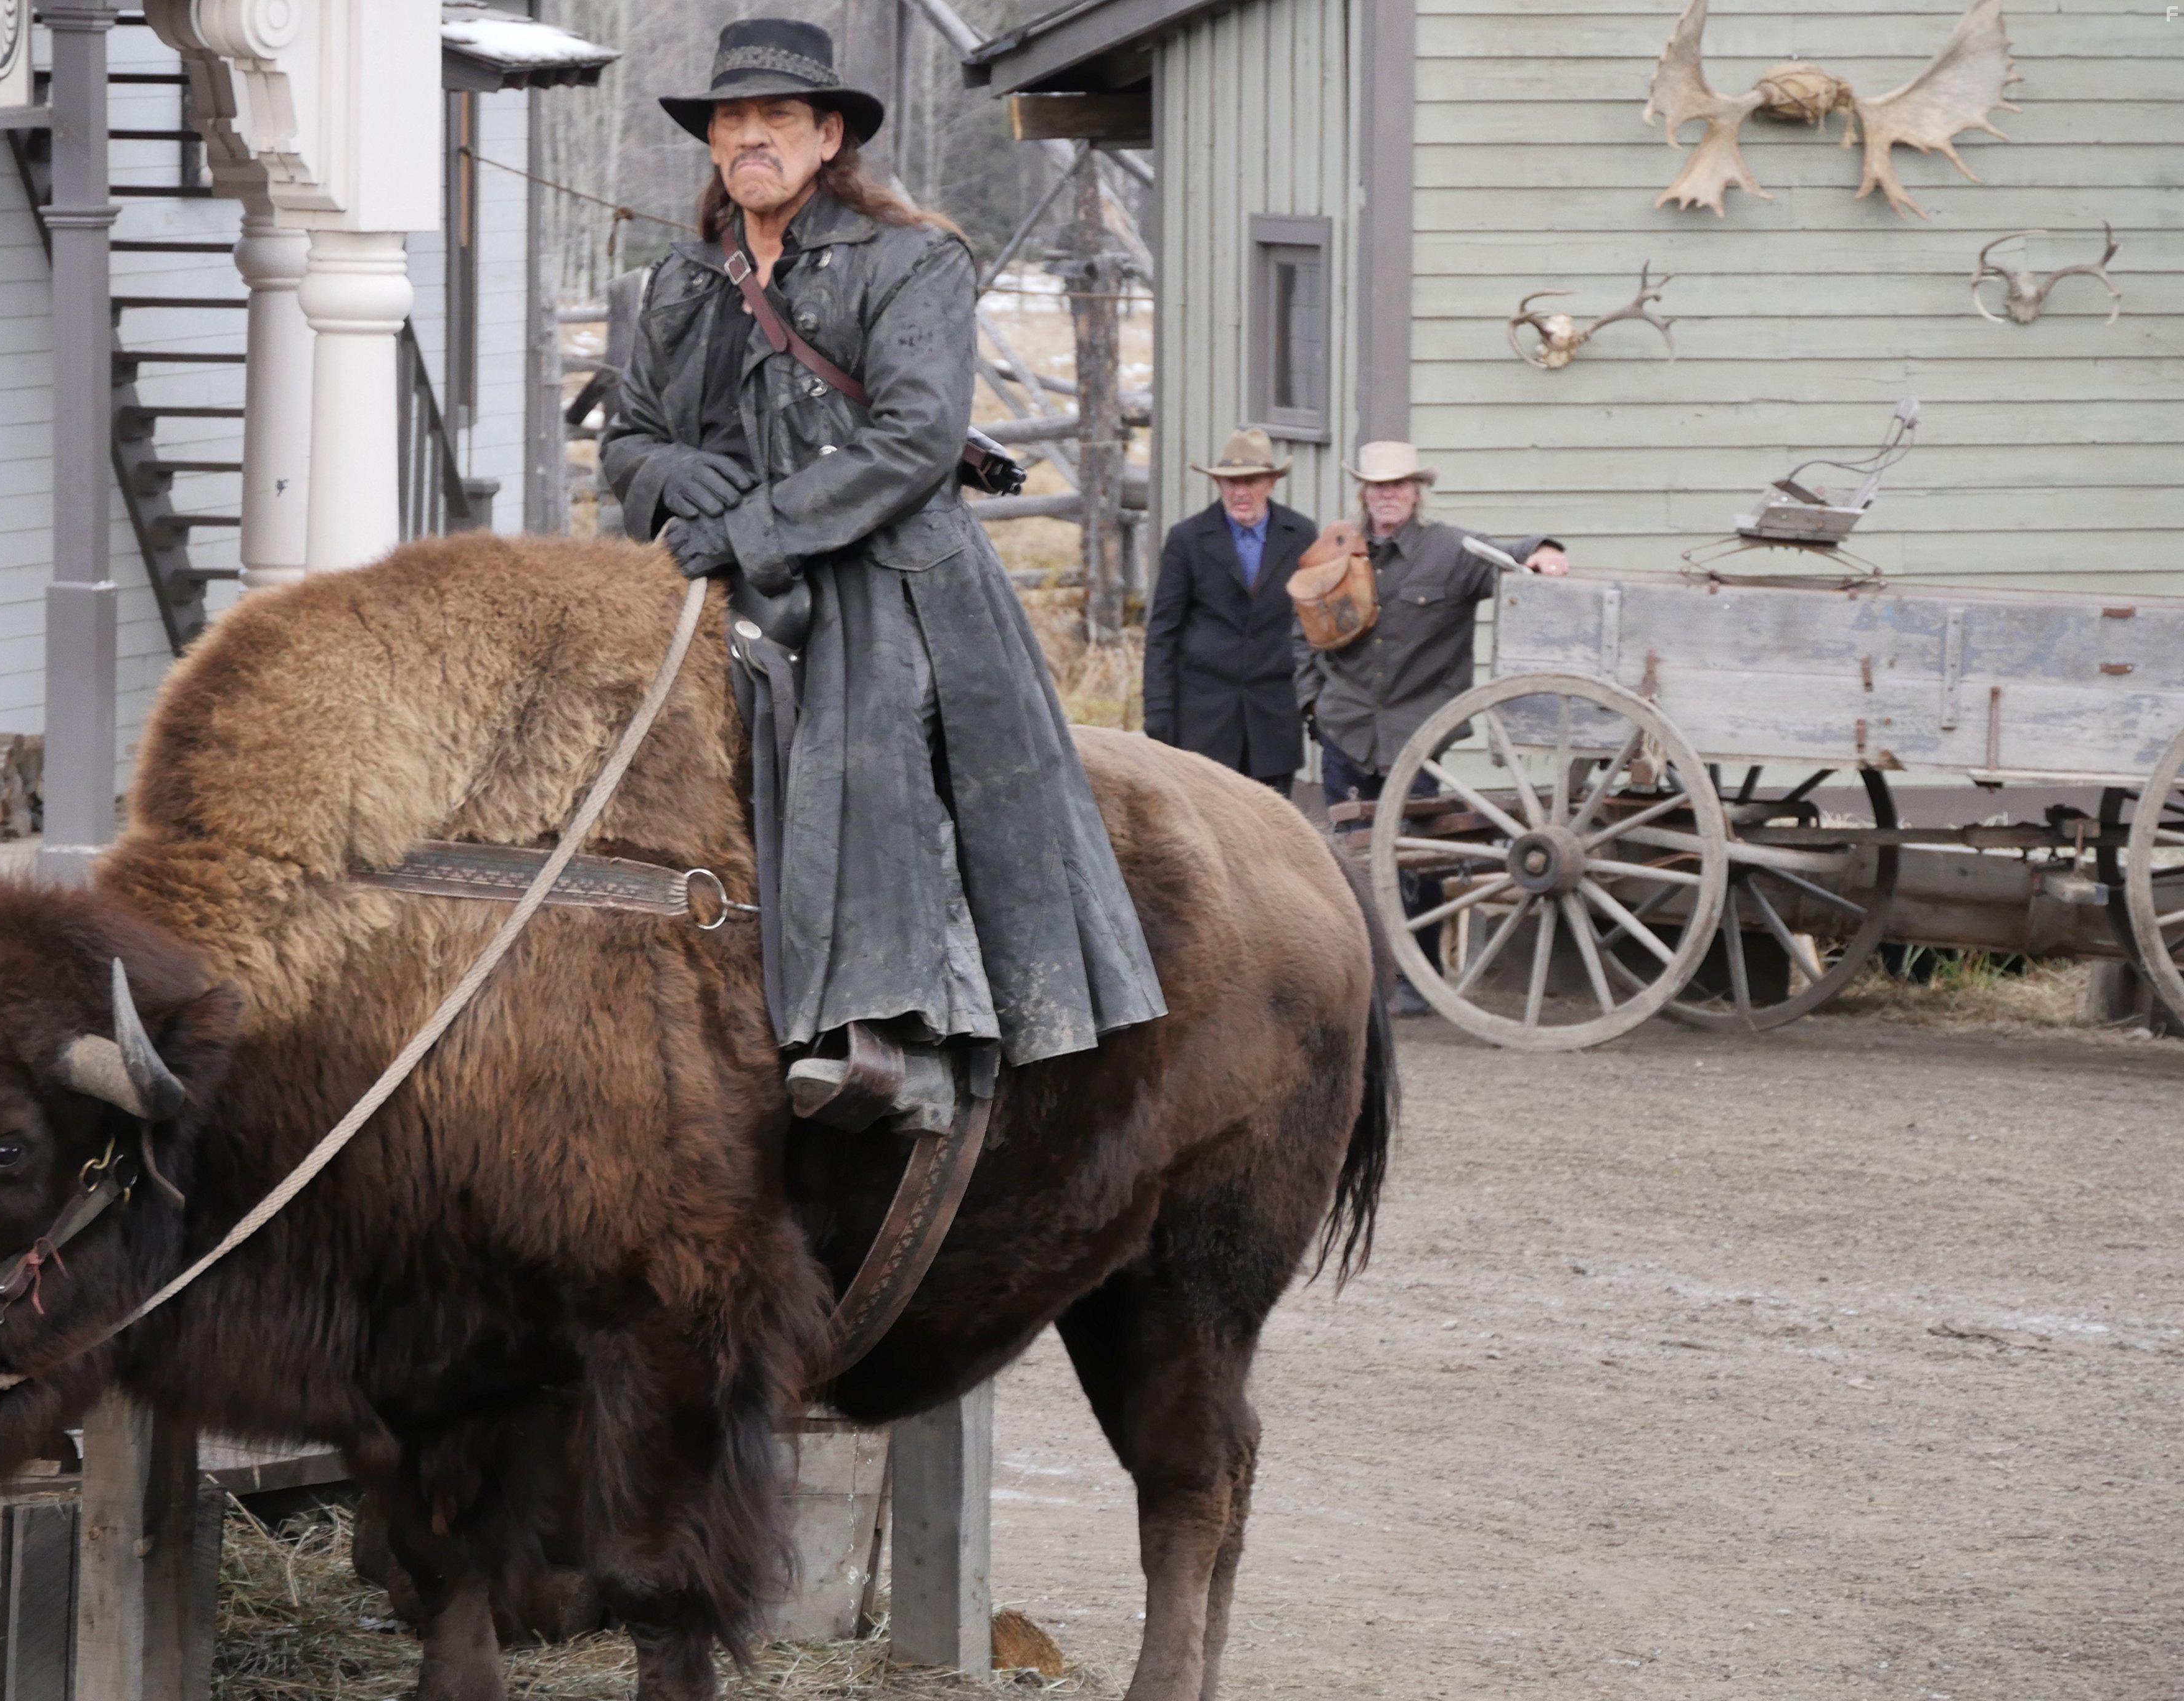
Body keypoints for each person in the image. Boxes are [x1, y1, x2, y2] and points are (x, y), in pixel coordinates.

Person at [601, 18, 1164, 1132]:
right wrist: (673, 473)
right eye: (731, 120)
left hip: (891, 579)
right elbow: (627, 437)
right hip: (719, 580)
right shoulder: (679, 282)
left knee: (864, 750)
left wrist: (754, 526)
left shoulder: (914, 262)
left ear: (829, 139)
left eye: (776, 118)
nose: (750, 138)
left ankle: (901, 1037)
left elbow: (912, 443)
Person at [1294, 441, 1569, 1014]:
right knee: (1347, 862)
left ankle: (1417, 981)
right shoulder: (1336, 549)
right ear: (1364, 492)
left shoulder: (1449, 550)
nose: (1387, 495)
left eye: (1398, 485)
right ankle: (1359, 985)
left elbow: (1508, 557)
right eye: (1378, 486)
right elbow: (1302, 629)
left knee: (1419, 858)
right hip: (1347, 729)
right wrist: (1312, 703)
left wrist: (1544, 552)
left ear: (1417, 492)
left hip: (1417, 734)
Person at [1142, 430, 1320, 793]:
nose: (1240, 492)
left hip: (1274, 716)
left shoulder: (1301, 534)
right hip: (1204, 719)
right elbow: (1163, 632)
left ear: (1271, 483)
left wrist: (1316, 700)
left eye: (1250, 481)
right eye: (1230, 482)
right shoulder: (1188, 538)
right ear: (1218, 484)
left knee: (1272, 820)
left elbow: (1315, 625)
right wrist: (1158, 709)